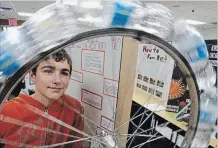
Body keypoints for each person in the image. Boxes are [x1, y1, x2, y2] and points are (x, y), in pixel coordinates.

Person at [0, 49, 83, 148]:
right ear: (33, 75)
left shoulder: (74, 108)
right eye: (48, 71)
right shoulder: (7, 110)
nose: (57, 80)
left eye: (64, 73)